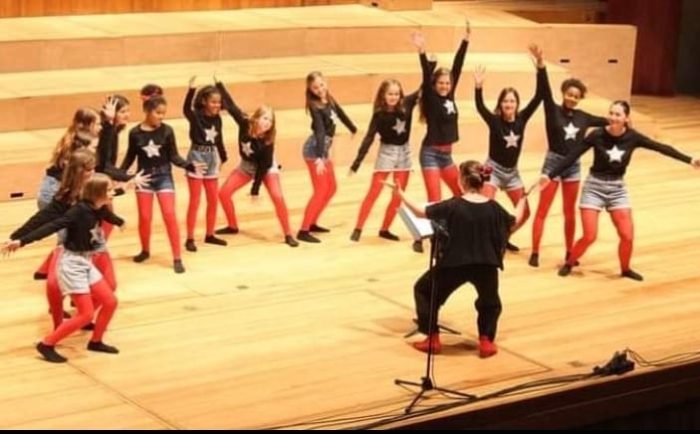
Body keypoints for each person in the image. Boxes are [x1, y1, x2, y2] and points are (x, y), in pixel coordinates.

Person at [540, 100, 700, 281]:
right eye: (611, 113)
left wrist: (690, 160)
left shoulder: (633, 137)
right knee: (590, 235)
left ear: (626, 118)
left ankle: (625, 269)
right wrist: (550, 175)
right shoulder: (597, 135)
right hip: (594, 187)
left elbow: (661, 148)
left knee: (627, 235)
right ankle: (569, 263)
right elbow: (572, 155)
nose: (613, 117)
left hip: (617, 189)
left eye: (618, 114)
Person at [388, 160, 526, 358]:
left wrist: (400, 193)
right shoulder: (494, 207)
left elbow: (420, 212)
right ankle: (486, 341)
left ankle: (432, 338)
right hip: (486, 265)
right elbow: (514, 220)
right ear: (482, 182)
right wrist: (523, 198)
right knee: (490, 303)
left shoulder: (453, 205)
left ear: (462, 181)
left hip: (455, 263)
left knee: (424, 290)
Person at [2, 174, 123, 363]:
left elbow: (106, 215)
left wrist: (120, 221)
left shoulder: (97, 208)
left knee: (110, 301)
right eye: (109, 190)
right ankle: (47, 344)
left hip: (85, 261)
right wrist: (21, 241)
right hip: (72, 264)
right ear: (98, 193)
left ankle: (96, 341)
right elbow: (51, 226)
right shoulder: (78, 211)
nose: (112, 193)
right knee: (86, 314)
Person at [529, 52, 607, 267]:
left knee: (569, 212)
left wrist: (623, 121)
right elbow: (544, 89)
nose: (572, 98)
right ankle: (535, 252)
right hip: (552, 164)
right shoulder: (552, 109)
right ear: (563, 93)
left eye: (576, 96)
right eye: (569, 94)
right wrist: (541, 66)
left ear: (580, 98)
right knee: (543, 210)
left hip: (573, 166)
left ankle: (569, 252)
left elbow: (608, 122)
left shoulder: (584, 117)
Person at [474, 44, 545, 252]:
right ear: (500, 103)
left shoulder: (522, 119)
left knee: (525, 213)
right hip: (491, 168)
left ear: (517, 104)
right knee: (483, 208)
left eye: (512, 101)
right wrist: (478, 88)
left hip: (512, 172)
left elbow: (539, 96)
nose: (509, 104)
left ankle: (502, 237)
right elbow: (480, 107)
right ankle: (482, 243)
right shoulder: (494, 121)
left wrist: (540, 67)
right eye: (505, 101)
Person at [409, 19, 470, 253]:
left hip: (447, 156)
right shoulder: (432, 98)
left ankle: (450, 231)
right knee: (435, 199)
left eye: (447, 83)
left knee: (461, 194)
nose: (445, 86)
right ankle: (432, 240)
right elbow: (426, 75)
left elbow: (458, 66)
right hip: (431, 154)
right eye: (441, 83)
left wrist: (465, 40)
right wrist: (421, 50)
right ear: (434, 85)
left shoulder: (450, 96)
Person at [215, 80, 299, 247]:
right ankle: (232, 226)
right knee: (223, 193)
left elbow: (263, 166)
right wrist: (219, 85)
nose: (267, 122)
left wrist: (255, 189)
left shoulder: (268, 142)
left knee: (277, 197)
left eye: (270, 120)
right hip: (246, 166)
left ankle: (288, 234)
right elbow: (232, 107)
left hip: (266, 169)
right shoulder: (245, 123)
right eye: (265, 118)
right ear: (257, 117)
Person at [349, 78, 418, 243]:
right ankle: (358, 228)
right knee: (374, 192)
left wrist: (428, 65)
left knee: (398, 195)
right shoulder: (379, 115)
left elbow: (425, 86)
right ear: (383, 95)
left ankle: (385, 229)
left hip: (404, 154)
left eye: (396, 94)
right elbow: (369, 138)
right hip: (387, 153)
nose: (394, 97)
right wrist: (356, 163)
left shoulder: (407, 105)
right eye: (390, 94)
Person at [297, 71, 357, 243]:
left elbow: (340, 113)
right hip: (315, 150)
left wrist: (352, 127)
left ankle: (312, 222)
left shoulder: (328, 99)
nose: (320, 89)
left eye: (321, 85)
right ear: (310, 89)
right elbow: (320, 131)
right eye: (315, 87)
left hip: (323, 148)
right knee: (321, 190)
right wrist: (320, 157)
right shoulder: (314, 106)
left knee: (332, 188)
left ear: (326, 83)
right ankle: (303, 230)